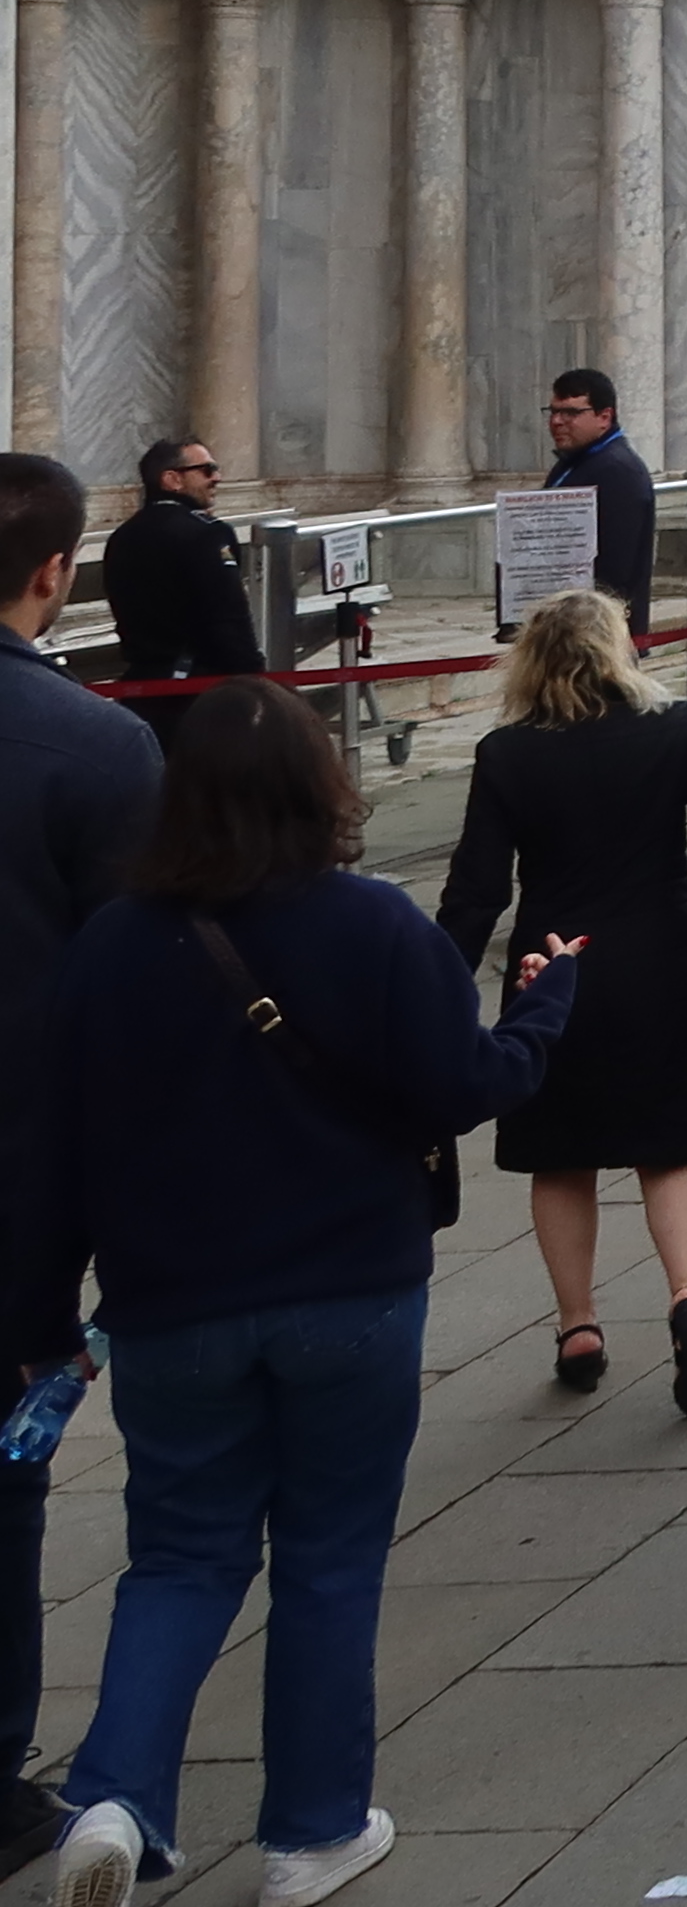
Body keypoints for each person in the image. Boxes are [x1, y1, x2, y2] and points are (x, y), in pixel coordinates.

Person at [25, 685, 580, 1907]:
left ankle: (118, 1796)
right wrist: (541, 1010)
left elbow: (55, 1147)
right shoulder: (373, 925)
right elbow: (461, 1082)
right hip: (351, 1285)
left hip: (171, 1300)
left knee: (176, 1555)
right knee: (329, 1556)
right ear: (321, 789)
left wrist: (42, 1315)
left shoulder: (112, 945)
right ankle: (312, 1831)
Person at [432, 593, 687, 1412]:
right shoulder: (675, 730)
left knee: (561, 1154)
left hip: (550, 971)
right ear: (619, 650)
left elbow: (477, 888)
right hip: (661, 959)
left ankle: (578, 1324)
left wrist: (442, 983)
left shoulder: (505, 754)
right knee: (671, 1144)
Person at [0, 458, 154, 1872]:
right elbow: (137, 993)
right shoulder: (94, 748)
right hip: (20, 1190)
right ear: (55, 576)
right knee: (4, 1478)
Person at [98, 442, 258, 716]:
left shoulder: (122, 536)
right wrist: (257, 680)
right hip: (201, 692)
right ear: (172, 479)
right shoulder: (207, 535)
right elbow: (229, 619)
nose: (216, 478)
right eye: (207, 470)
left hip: (142, 687)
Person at [542, 371, 659, 635]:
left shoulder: (617, 470)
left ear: (604, 417)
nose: (557, 422)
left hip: (597, 630)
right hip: (566, 618)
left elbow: (617, 565)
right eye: (553, 412)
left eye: (571, 413)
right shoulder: (574, 461)